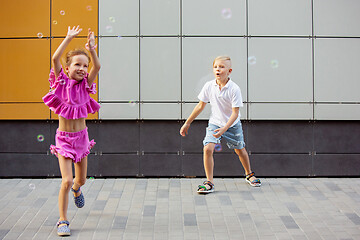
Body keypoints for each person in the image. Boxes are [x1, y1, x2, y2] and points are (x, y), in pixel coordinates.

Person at [42, 26, 101, 236]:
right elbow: (55, 58)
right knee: (66, 180)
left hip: (82, 139)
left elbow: (98, 66)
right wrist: (68, 38)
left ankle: (78, 189)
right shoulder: (60, 83)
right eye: (77, 64)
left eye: (85, 65)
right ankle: (63, 220)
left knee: (80, 180)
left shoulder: (86, 85)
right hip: (64, 140)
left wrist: (92, 49)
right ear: (67, 68)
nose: (82, 68)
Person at [180, 56, 261, 194]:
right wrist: (187, 123)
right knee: (207, 149)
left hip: (232, 125)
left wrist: (225, 128)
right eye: (216, 66)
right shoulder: (208, 86)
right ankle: (209, 182)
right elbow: (200, 106)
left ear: (229, 71)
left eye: (222, 67)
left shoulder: (234, 89)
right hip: (215, 123)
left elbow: (235, 113)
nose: (218, 69)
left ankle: (249, 174)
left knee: (240, 149)